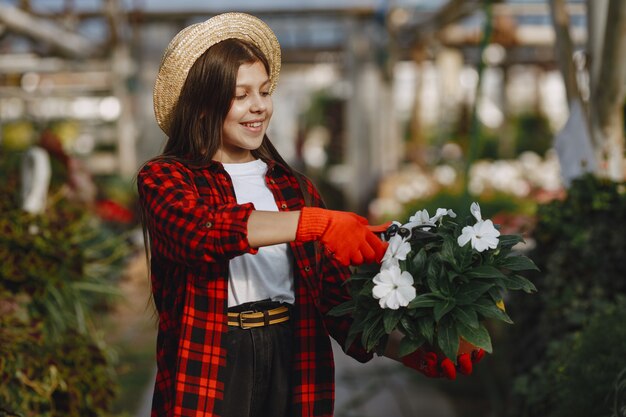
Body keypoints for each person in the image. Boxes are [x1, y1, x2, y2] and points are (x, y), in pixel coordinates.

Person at [137, 12, 481, 417]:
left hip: (292, 350)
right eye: (240, 94)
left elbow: (335, 300)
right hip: (212, 356)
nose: (258, 107)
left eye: (264, 92)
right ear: (201, 105)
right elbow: (199, 234)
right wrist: (315, 224)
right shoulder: (166, 177)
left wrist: (412, 350)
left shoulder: (292, 188)